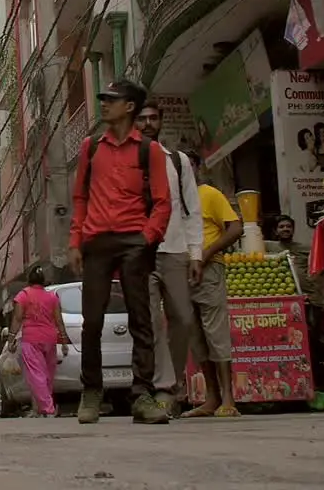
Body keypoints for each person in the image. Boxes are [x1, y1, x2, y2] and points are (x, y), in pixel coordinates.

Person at [68, 79, 172, 425]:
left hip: (134, 241)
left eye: (112, 100)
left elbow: (162, 202)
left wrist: (146, 237)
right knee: (92, 322)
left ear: (130, 107)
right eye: (104, 99)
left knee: (141, 320)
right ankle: (92, 393)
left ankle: (142, 394)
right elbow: (80, 197)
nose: (104, 105)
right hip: (97, 242)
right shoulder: (90, 147)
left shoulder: (149, 151)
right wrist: (75, 241)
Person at [135, 100, 204, 416]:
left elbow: (192, 210)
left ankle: (172, 384)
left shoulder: (177, 162)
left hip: (175, 247)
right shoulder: (126, 163)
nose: (148, 123)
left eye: (153, 118)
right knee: (150, 322)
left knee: (184, 318)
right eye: (142, 119)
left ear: (160, 122)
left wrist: (196, 254)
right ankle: (163, 390)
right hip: (141, 253)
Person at [182, 151, 242, 419]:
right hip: (181, 273)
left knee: (216, 333)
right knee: (196, 338)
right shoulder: (172, 200)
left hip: (209, 269)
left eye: (189, 164)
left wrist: (206, 254)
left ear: (197, 167)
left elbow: (235, 228)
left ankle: (229, 398)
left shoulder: (209, 194)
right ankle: (211, 397)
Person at [6, 265, 71, 417]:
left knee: (36, 375)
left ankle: (48, 408)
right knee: (47, 374)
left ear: (29, 280)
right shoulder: (52, 297)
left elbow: (17, 319)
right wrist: (64, 341)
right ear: (44, 281)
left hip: (31, 339)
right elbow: (59, 320)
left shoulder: (23, 295)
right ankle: (44, 408)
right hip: (50, 338)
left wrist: (11, 338)